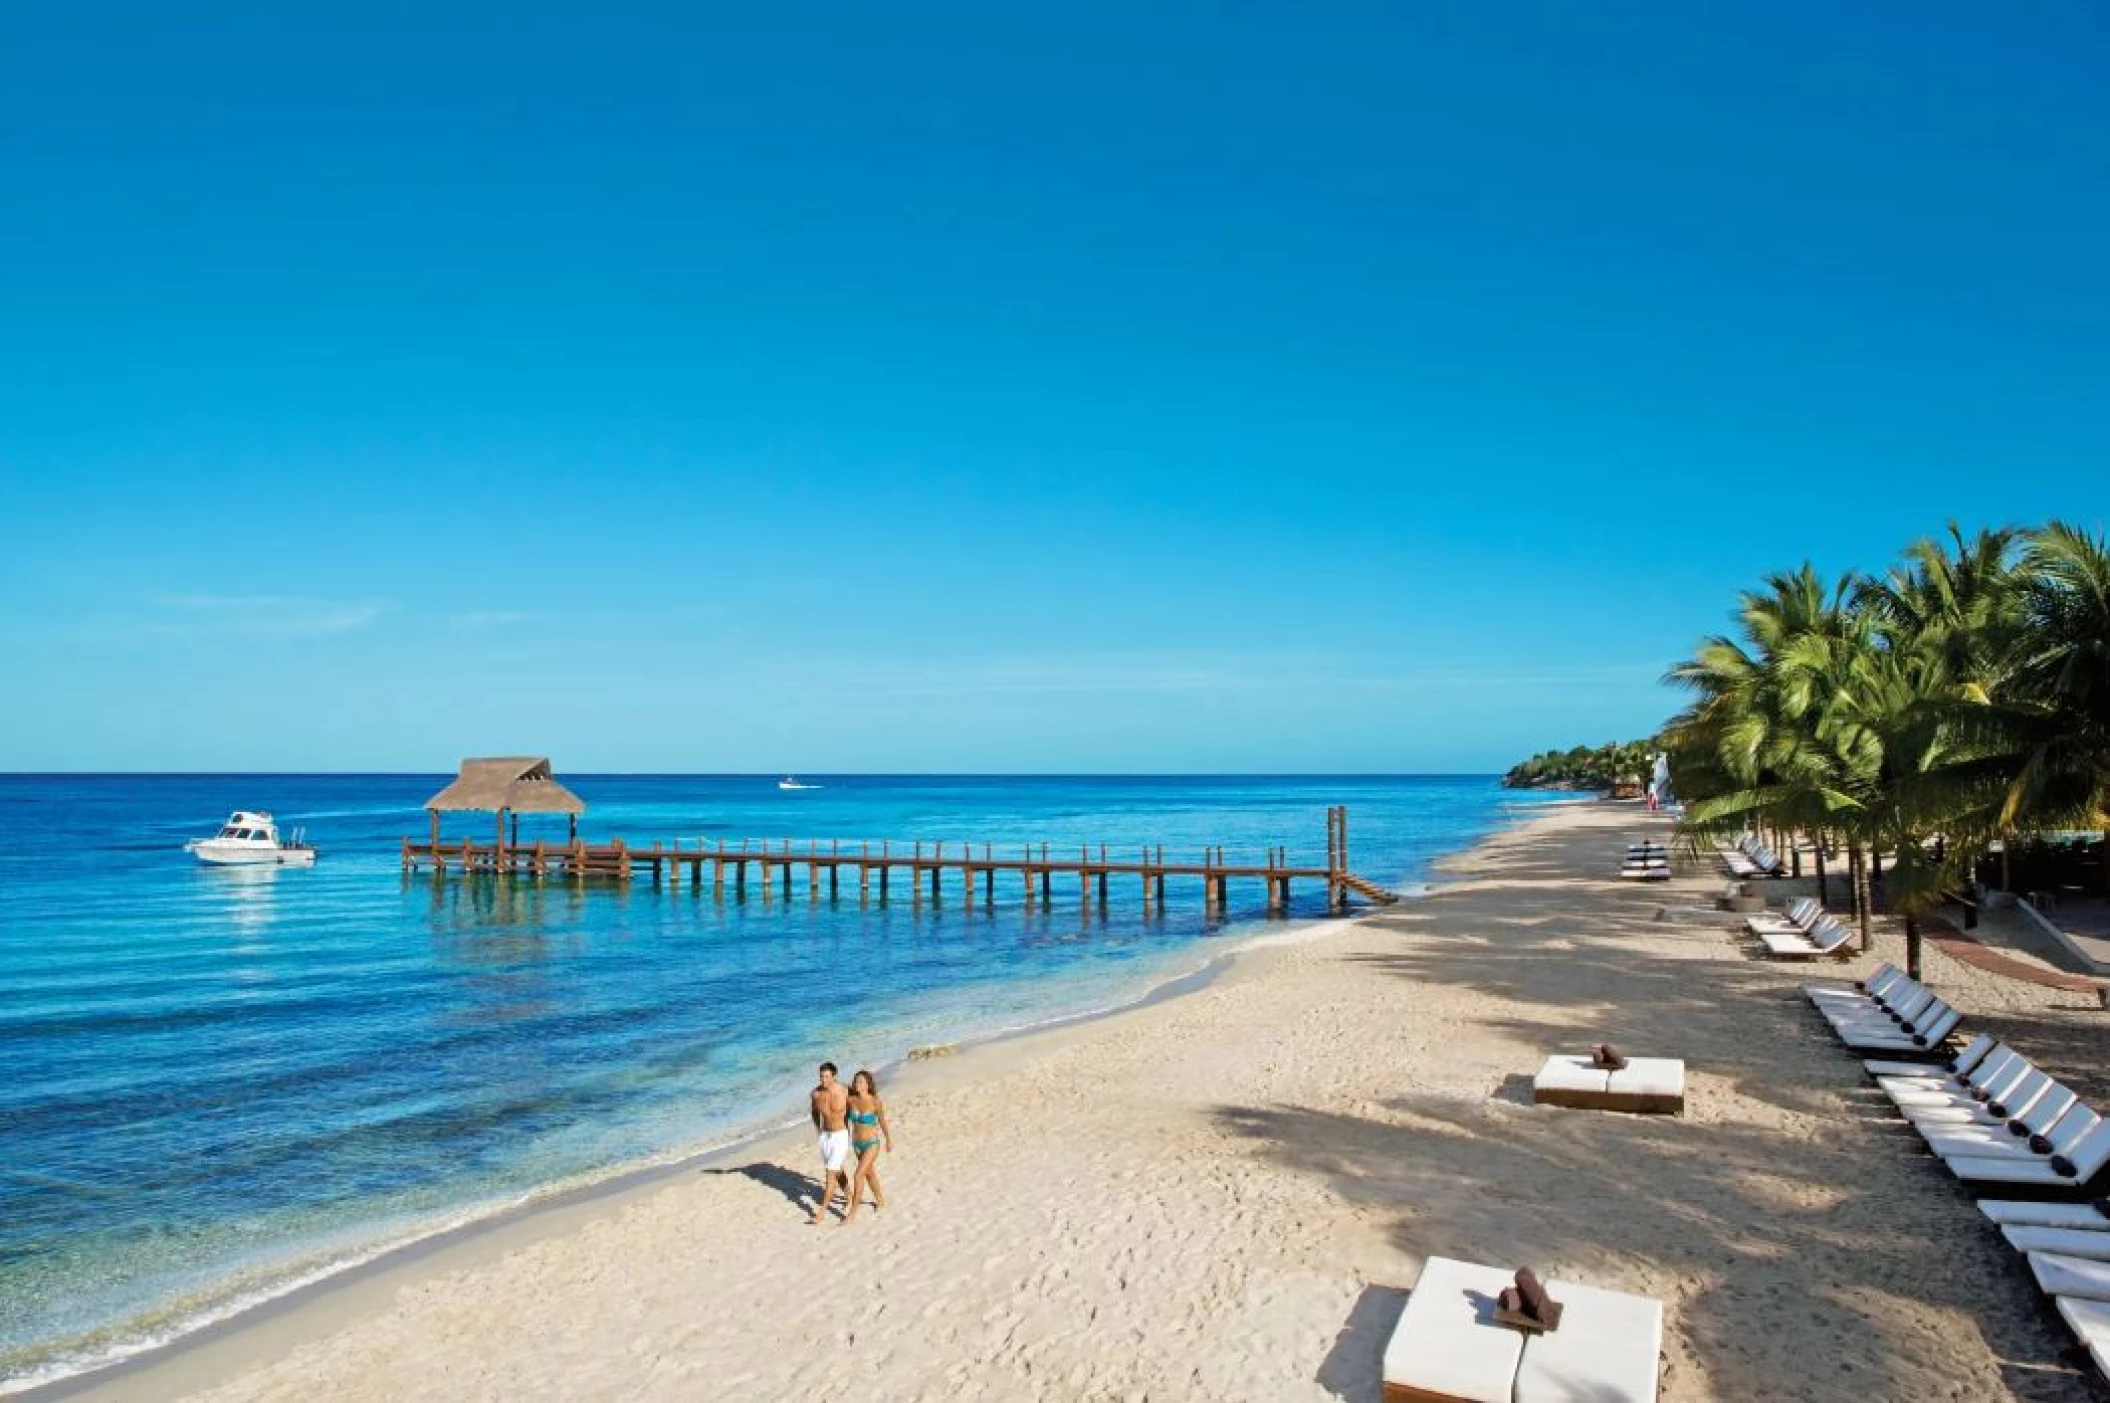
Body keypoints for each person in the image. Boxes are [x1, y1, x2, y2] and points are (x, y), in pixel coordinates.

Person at [840, 1068, 893, 1226]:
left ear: (867, 1084)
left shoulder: (875, 1101)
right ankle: (880, 1200)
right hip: (857, 1144)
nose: (857, 1084)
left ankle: (852, 1214)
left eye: (860, 1081)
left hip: (871, 1144)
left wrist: (888, 1139)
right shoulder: (851, 1100)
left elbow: (882, 1121)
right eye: (856, 1081)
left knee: (858, 1176)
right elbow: (845, 1120)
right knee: (869, 1175)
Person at [809, 1061, 851, 1223]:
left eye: (827, 1076)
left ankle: (821, 1213)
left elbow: (856, 1106)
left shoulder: (844, 1090)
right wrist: (818, 1129)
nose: (823, 1080)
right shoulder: (816, 1094)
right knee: (837, 1170)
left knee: (830, 1174)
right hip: (825, 1137)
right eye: (821, 1076)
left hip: (840, 1135)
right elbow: (814, 1112)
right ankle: (849, 1196)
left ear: (834, 1076)